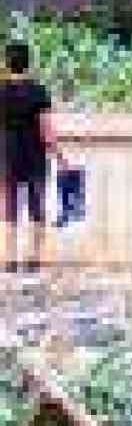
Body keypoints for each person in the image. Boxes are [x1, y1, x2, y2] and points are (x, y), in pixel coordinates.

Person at [0, 39, 58, 276]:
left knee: (10, 205)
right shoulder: (38, 90)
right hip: (34, 153)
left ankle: (10, 259)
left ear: (6, 62)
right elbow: (46, 129)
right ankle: (33, 259)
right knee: (36, 204)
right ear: (28, 63)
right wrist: (59, 155)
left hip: (7, 153)